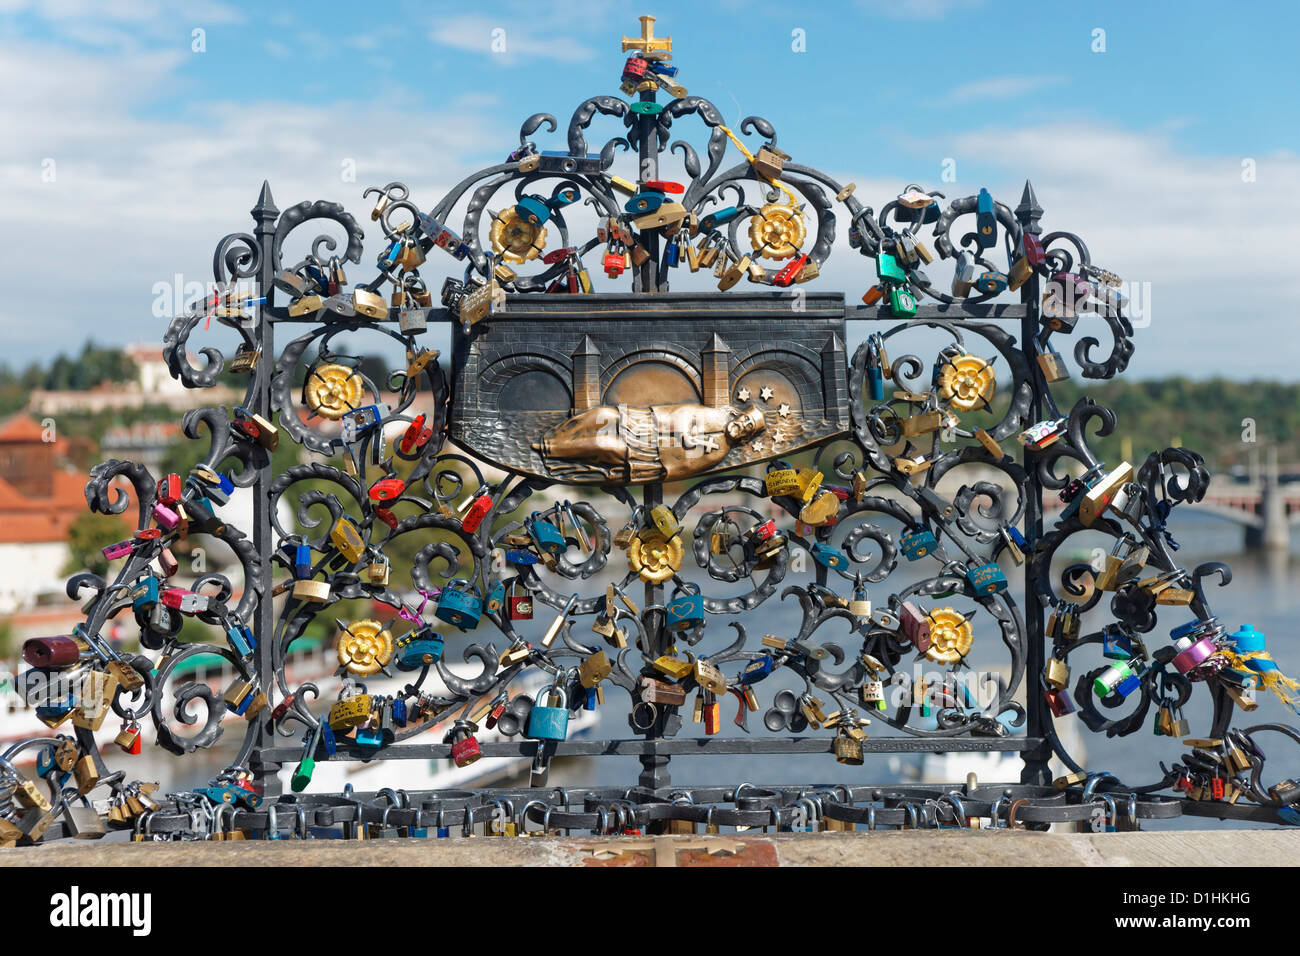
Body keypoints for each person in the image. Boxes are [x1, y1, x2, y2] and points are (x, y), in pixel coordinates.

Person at [533, 402, 766, 482]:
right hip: (647, 424)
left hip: (648, 455)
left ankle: (551, 450)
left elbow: (682, 467)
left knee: (605, 445)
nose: (741, 426)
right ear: (739, 416)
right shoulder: (715, 416)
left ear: (746, 437)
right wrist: (687, 436)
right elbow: (682, 414)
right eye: (744, 420)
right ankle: (556, 435)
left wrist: (689, 444)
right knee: (603, 414)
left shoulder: (719, 453)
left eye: (747, 428)